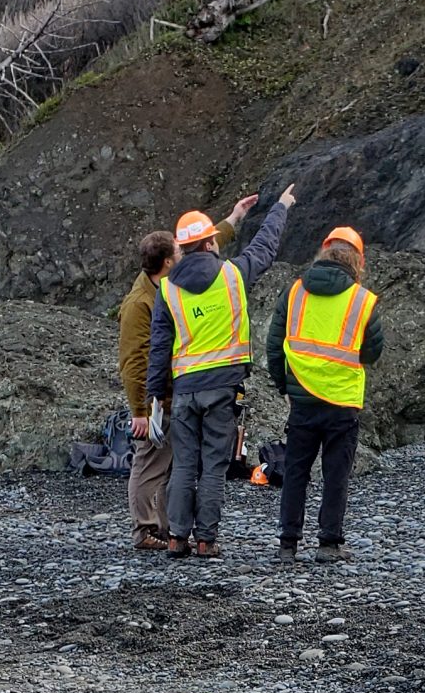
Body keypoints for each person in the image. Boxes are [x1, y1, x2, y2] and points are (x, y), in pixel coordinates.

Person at [145, 186, 296, 557]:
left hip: (183, 391)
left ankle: (177, 537)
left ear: (181, 248)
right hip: (223, 387)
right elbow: (264, 247)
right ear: (211, 243)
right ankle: (205, 541)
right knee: (213, 466)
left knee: (184, 465)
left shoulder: (167, 290)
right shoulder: (233, 274)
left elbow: (159, 348)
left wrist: (152, 399)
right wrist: (281, 207)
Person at [116, 201, 252, 552]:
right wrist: (140, 411)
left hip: (181, 391)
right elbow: (133, 361)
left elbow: (199, 247)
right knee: (150, 463)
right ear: (167, 262)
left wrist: (233, 219)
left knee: (177, 465)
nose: (186, 253)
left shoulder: (171, 282)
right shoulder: (139, 304)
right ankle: (145, 530)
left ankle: (170, 531)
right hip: (157, 400)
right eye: (179, 250)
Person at [266, 224, 384, 563]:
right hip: (342, 402)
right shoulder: (363, 300)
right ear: (358, 261)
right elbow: (373, 350)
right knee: (336, 474)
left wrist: (283, 386)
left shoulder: (295, 293)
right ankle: (328, 544)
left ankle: (287, 544)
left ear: (323, 251)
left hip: (302, 399)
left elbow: (275, 346)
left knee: (295, 472)